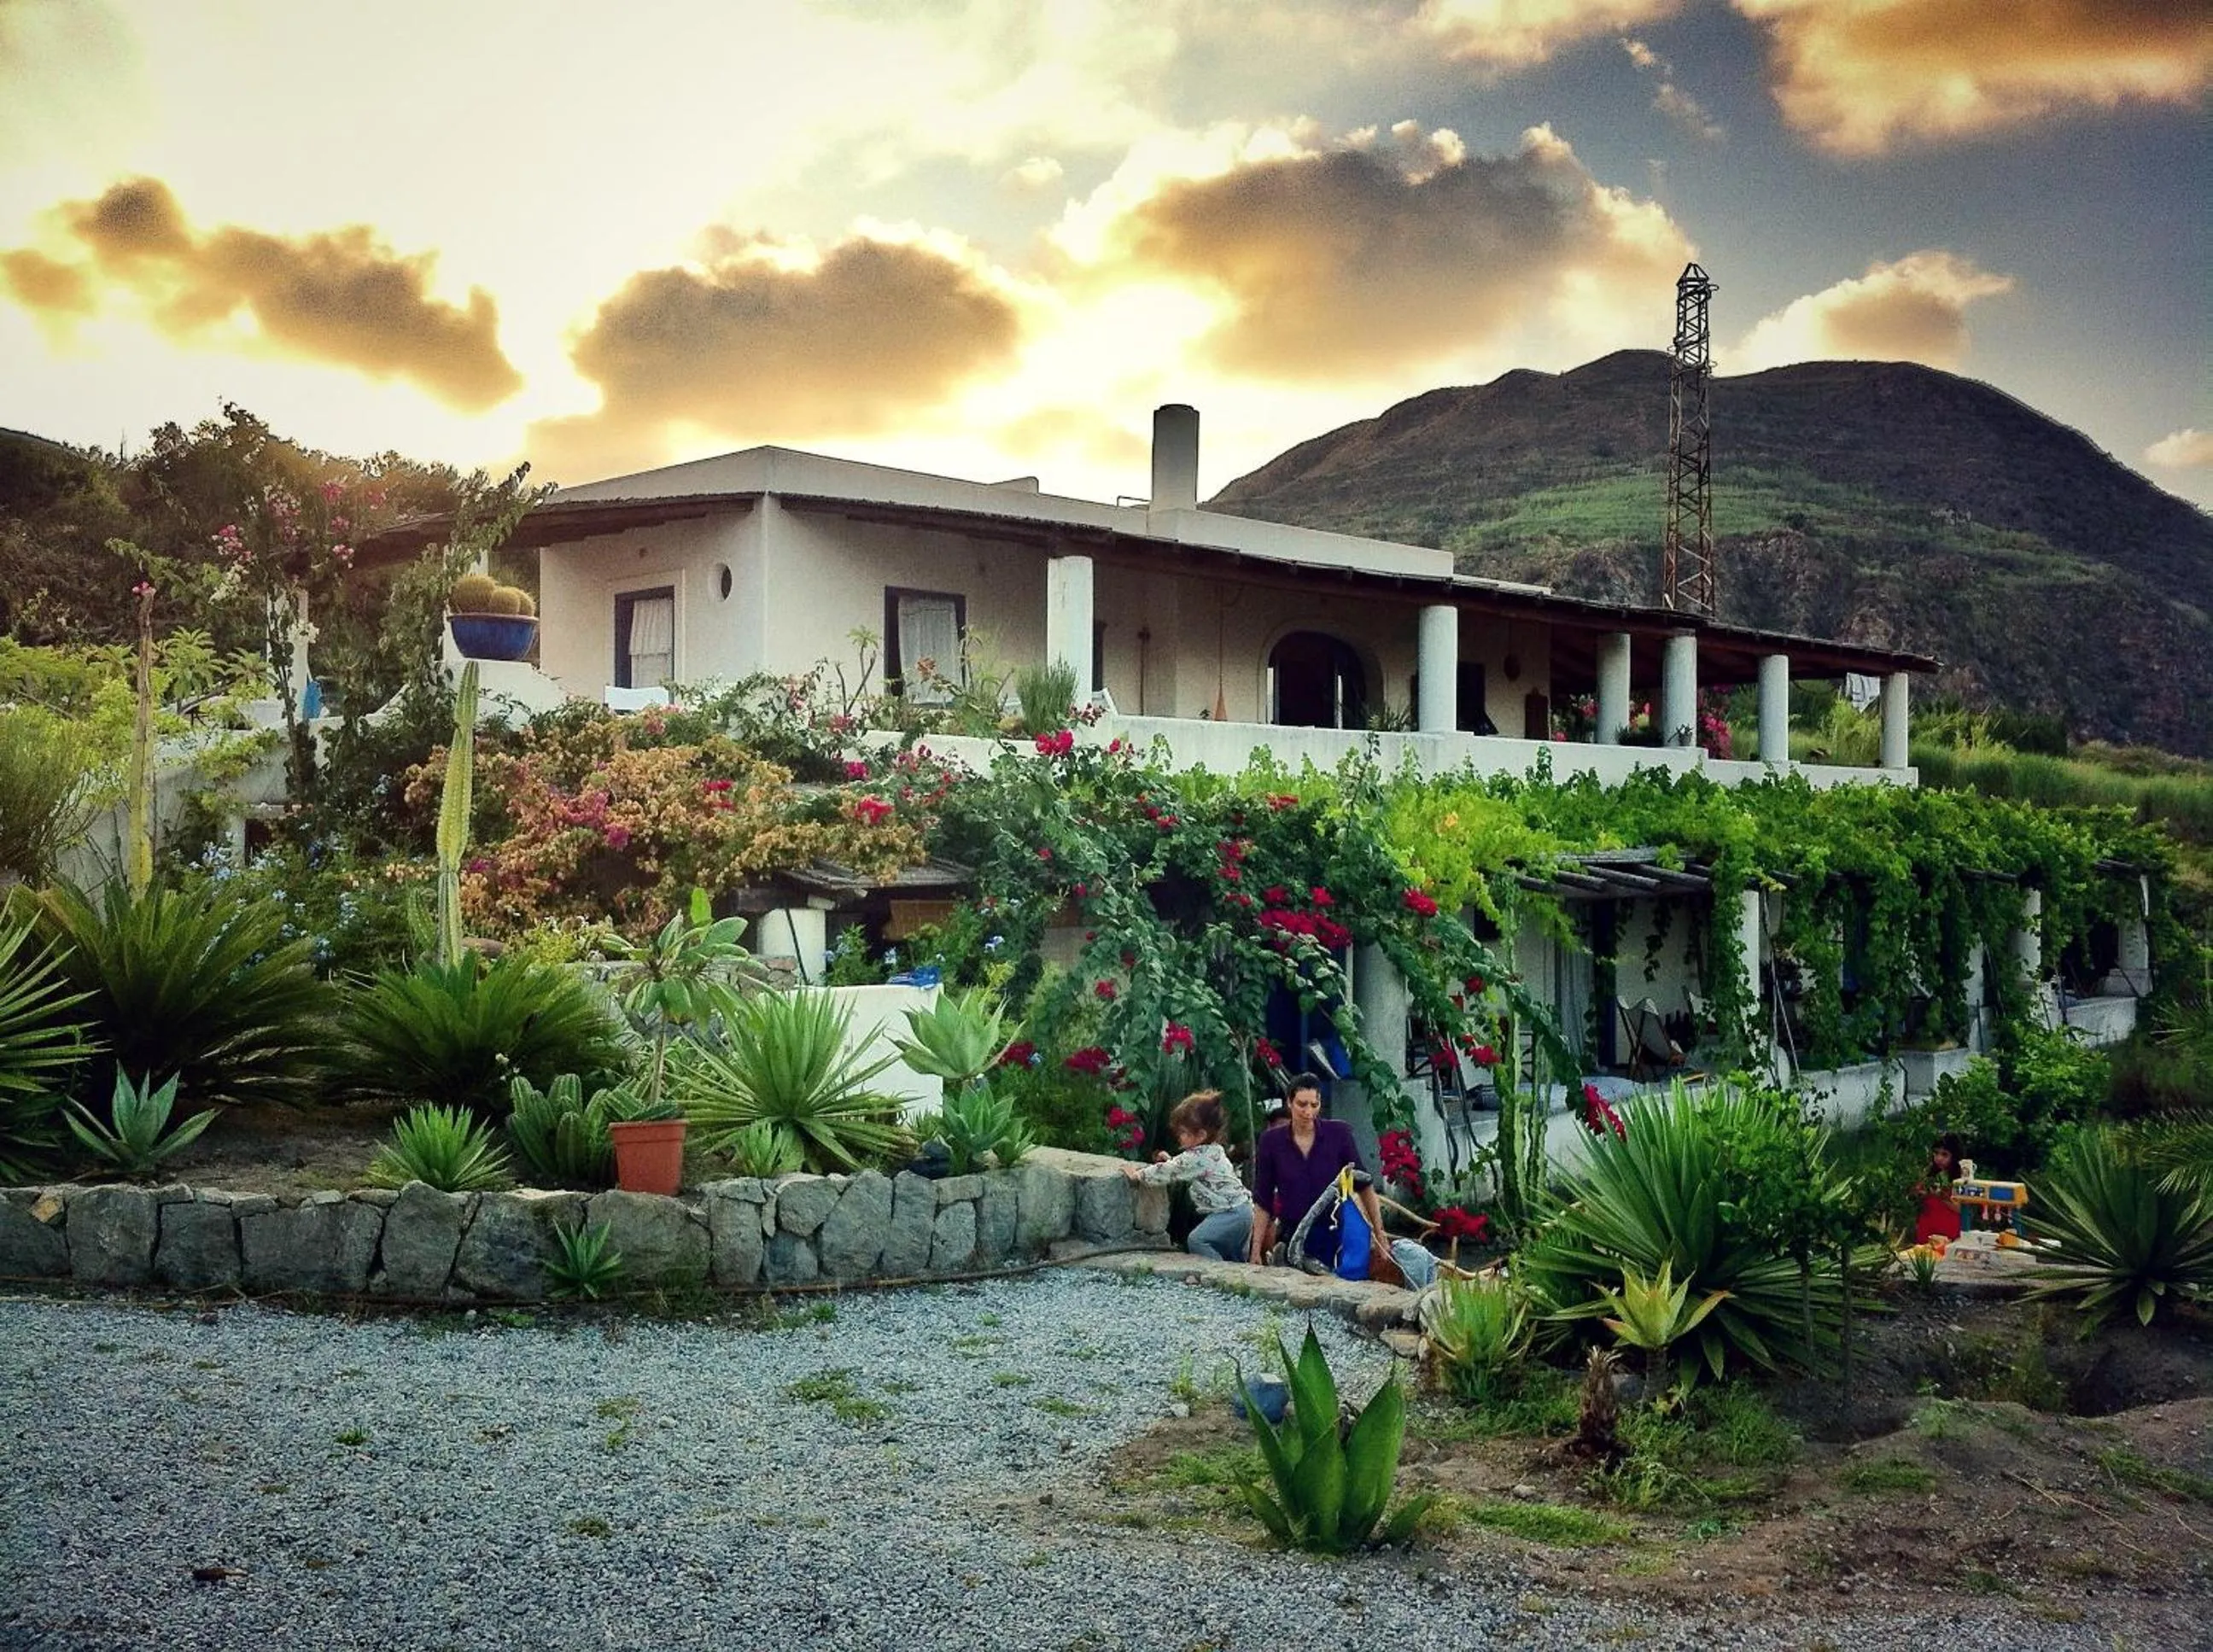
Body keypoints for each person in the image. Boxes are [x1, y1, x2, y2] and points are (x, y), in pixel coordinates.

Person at [1248, 1073, 1385, 1269]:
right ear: (1289, 1103)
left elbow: (1363, 1184)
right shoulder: (1271, 1142)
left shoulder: (1339, 1134)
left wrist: (1380, 1236)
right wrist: (1255, 1251)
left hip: (1333, 1229)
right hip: (1292, 1230)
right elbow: (1263, 1200)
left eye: (1314, 1105)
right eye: (1302, 1105)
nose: (1308, 1112)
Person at [1119, 1091, 1252, 1262]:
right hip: (1243, 1210)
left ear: (1201, 1135)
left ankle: (1218, 1275)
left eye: (1184, 1133)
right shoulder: (1213, 1150)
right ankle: (1236, 1279)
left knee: (1198, 1240)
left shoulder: (1196, 1157)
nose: (1179, 1136)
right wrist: (1170, 1160)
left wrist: (1138, 1175)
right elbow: (1183, 1166)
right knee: (1231, 1253)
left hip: (1230, 1213)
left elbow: (1170, 1171)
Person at [1914, 1133, 1965, 1246]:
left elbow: (1962, 1209)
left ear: (1954, 1156)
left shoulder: (1961, 1178)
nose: (1939, 1158)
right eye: (1936, 1153)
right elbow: (1917, 1195)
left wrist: (1941, 1196)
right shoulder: (1928, 1173)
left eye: (1944, 1155)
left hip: (1949, 1230)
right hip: (1927, 1227)